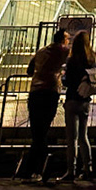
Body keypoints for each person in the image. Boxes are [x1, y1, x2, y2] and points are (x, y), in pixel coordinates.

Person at [19, 28, 68, 182]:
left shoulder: (40, 52)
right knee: (43, 131)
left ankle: (31, 170)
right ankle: (41, 168)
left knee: (37, 132)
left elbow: (29, 71)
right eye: (67, 38)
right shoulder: (63, 51)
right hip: (50, 91)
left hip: (35, 92)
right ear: (63, 40)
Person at [59, 29, 96, 183]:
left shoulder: (72, 59)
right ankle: (88, 168)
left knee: (71, 139)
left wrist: (63, 78)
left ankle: (71, 171)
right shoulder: (91, 58)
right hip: (85, 100)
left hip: (72, 99)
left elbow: (67, 81)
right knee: (84, 136)